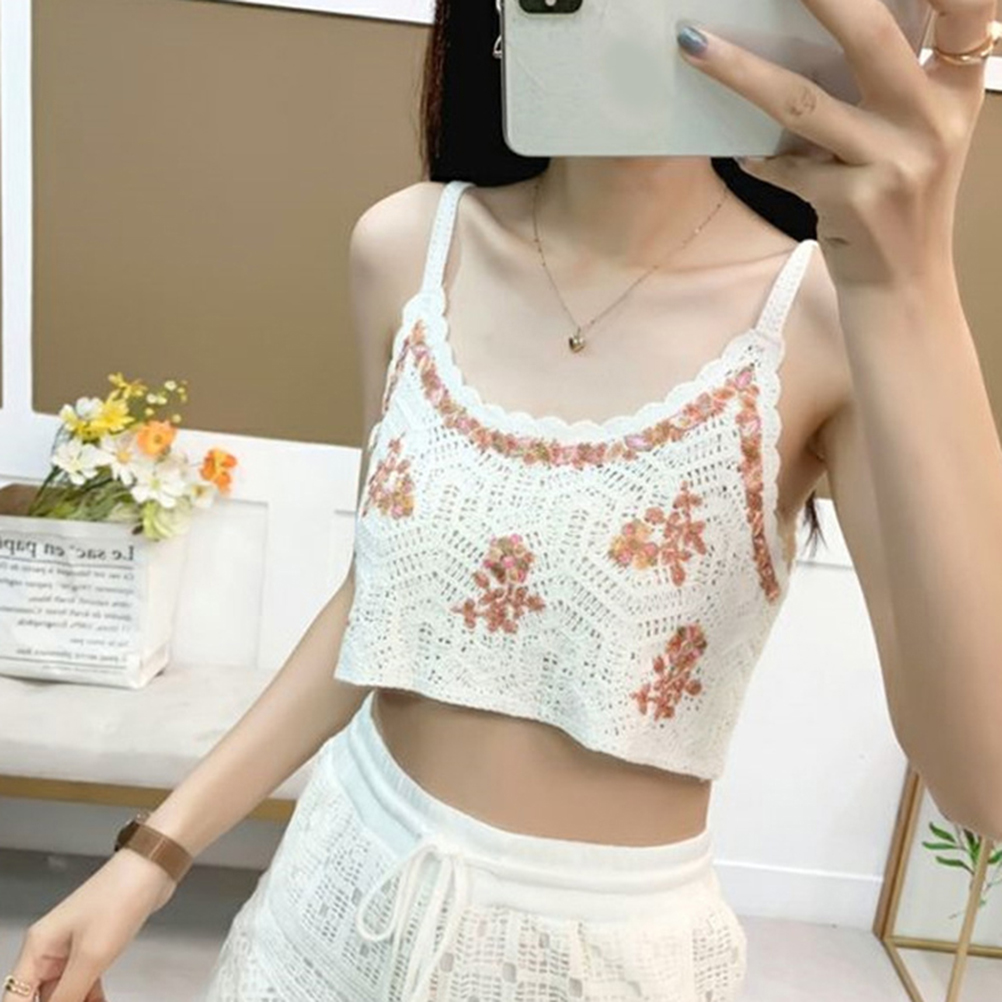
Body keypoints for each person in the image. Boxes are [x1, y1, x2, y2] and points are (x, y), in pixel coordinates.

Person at [6, 2, 1002, 1001]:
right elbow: (379, 605)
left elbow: (984, 783)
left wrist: (909, 285)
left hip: (604, 963)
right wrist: (152, 857)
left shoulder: (827, 320)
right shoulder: (407, 245)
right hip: (332, 896)